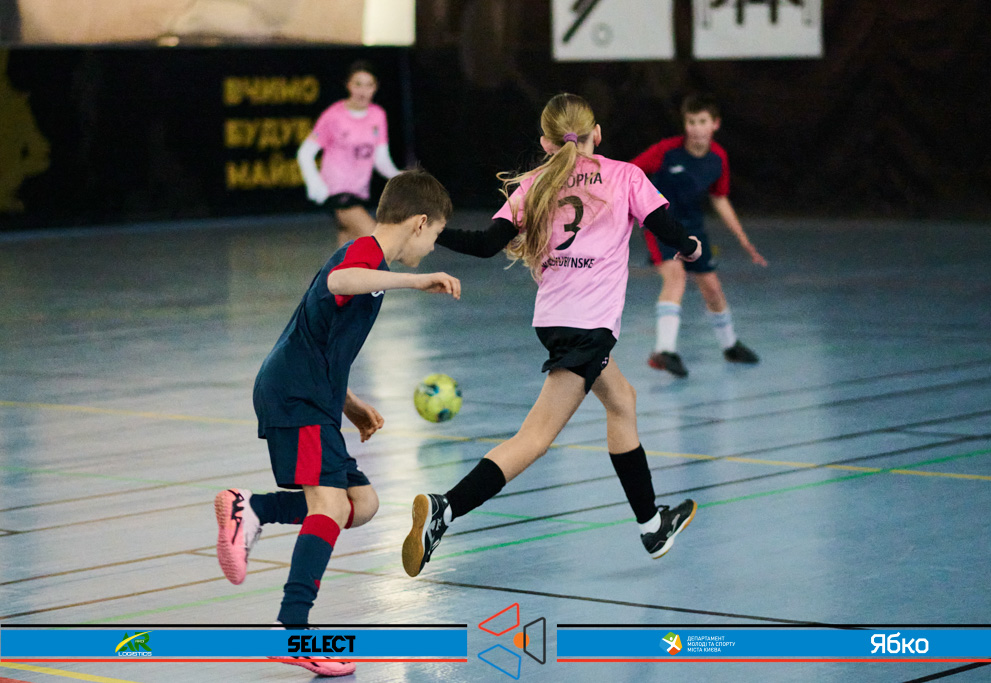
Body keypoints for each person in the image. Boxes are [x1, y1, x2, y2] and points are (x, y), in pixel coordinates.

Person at [401, 93, 700, 580]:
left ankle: (652, 525)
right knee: (535, 438)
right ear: (596, 133)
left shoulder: (536, 183)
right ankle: (445, 509)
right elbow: (666, 226)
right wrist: (690, 245)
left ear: (546, 143)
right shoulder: (625, 176)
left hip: (555, 320)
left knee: (622, 400)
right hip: (588, 327)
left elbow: (485, 244)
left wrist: (434, 234)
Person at [214, 170, 458, 677]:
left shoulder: (372, 266)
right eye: (435, 234)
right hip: (295, 394)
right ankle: (293, 630)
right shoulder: (364, 254)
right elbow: (339, 282)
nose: (433, 247)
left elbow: (321, 335)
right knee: (328, 504)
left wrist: (348, 403)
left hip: (314, 394)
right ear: (419, 223)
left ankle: (254, 508)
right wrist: (415, 280)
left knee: (361, 504)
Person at [631, 92, 767, 378]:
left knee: (713, 288)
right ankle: (664, 350)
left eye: (702, 121)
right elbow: (629, 173)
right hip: (661, 225)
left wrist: (743, 239)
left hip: (693, 228)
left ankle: (730, 346)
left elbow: (719, 197)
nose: (695, 128)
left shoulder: (718, 158)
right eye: (690, 122)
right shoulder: (666, 151)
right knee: (676, 277)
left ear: (715, 124)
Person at [298, 60, 403, 247]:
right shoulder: (333, 115)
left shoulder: (378, 115)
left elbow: (381, 159)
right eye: (358, 84)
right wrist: (317, 187)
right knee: (378, 242)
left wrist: (400, 176)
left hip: (359, 193)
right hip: (336, 193)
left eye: (369, 85)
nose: (363, 91)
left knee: (347, 252)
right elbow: (305, 153)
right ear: (348, 85)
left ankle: (338, 268)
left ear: (375, 88)